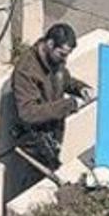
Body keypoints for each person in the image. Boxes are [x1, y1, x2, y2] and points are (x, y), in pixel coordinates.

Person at [11, 23, 94, 172]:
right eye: (62, 54)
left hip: (53, 136)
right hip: (34, 145)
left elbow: (64, 80)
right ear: (50, 44)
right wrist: (69, 105)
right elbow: (28, 112)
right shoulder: (26, 70)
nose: (65, 59)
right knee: (38, 187)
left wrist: (81, 88)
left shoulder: (55, 60)